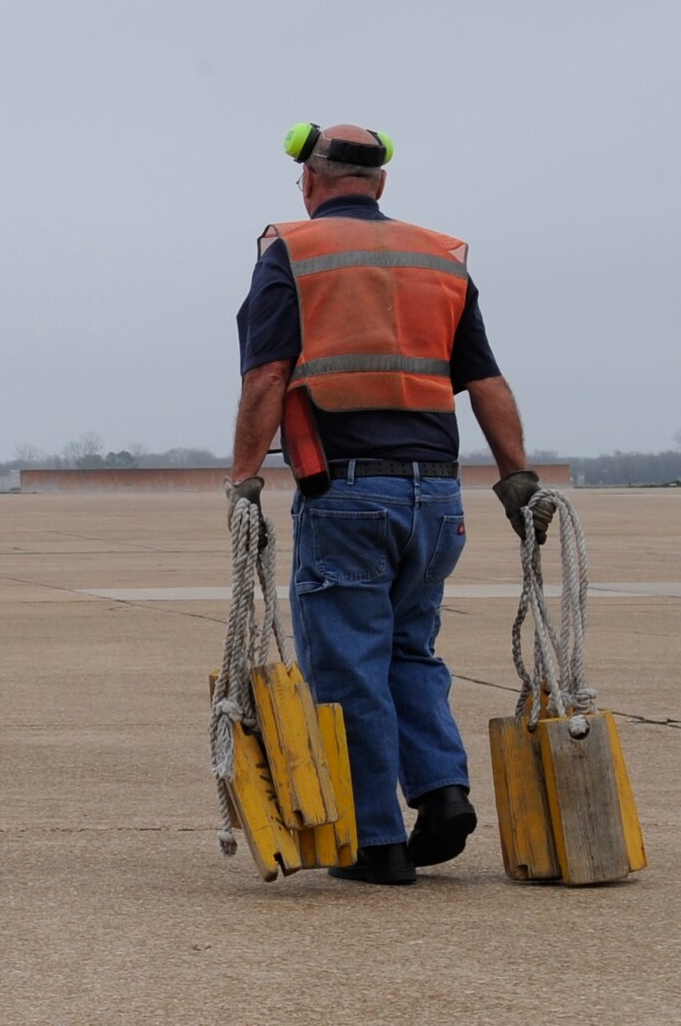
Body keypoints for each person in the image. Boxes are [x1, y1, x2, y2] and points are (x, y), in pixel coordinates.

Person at [226, 123, 554, 885]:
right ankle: (441, 792)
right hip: (440, 497)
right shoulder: (438, 259)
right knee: (411, 649)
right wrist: (517, 481)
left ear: (311, 181)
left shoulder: (295, 252)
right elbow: (486, 384)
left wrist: (244, 482)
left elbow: (267, 378)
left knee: (345, 664)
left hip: (347, 494)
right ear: (379, 185)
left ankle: (376, 842)